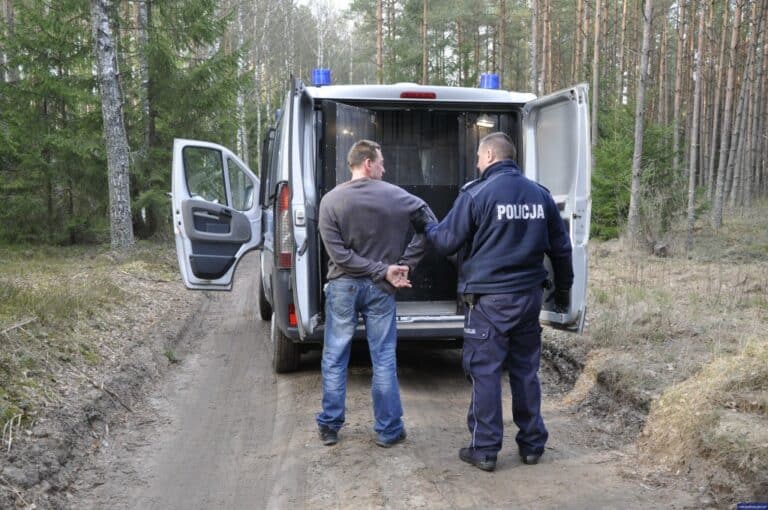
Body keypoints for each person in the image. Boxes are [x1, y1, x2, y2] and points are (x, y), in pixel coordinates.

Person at [413, 132, 573, 472]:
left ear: (488, 155)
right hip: (529, 299)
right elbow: (561, 249)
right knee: (525, 372)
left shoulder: (476, 194)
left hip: (488, 303)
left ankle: (484, 450)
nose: (476, 163)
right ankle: (532, 445)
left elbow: (445, 242)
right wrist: (563, 294)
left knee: (484, 373)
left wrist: (425, 224)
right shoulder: (539, 195)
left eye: (477, 157)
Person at [316, 139, 430, 448]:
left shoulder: (330, 201)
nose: (384, 168)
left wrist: (385, 268)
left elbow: (339, 257)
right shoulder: (397, 196)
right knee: (383, 358)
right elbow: (428, 224)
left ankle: (330, 425)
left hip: (343, 286)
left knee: (335, 356)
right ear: (367, 163)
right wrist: (401, 265)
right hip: (382, 289)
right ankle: (388, 430)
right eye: (380, 162)